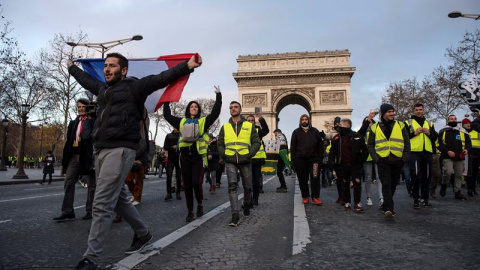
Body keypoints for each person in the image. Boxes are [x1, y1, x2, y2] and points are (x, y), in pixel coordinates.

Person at [68, 53, 202, 270]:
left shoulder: (134, 87)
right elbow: (88, 81)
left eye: (112, 66)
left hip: (121, 149)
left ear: (124, 70)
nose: (107, 69)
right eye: (105, 66)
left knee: (101, 203)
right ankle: (143, 233)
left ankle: (91, 258)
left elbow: (161, 78)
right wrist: (72, 68)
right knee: (119, 198)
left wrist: (186, 66)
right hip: (101, 149)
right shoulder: (103, 90)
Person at [164, 86, 222, 222]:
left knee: (196, 183)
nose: (194, 108)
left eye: (196, 106)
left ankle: (200, 204)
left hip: (198, 158)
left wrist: (219, 96)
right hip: (184, 157)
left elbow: (215, 113)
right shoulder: (181, 122)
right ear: (188, 109)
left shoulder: (203, 122)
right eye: (192, 106)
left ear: (199, 109)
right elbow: (167, 116)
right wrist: (166, 100)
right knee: (187, 185)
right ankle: (190, 211)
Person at [218, 101, 260, 227]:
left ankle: (246, 204)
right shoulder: (224, 127)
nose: (233, 109)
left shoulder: (249, 125)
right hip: (230, 160)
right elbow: (219, 144)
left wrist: (249, 154)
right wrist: (224, 154)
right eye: (231, 107)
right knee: (232, 186)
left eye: (236, 107)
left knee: (248, 187)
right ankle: (235, 214)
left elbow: (256, 142)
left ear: (241, 110)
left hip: (245, 159)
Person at [53, 99, 96, 222]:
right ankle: (67, 211)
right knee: (68, 181)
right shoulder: (73, 123)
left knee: (91, 185)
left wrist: (90, 120)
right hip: (74, 155)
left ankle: (90, 211)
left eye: (83, 106)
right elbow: (69, 140)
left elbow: (90, 137)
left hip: (88, 157)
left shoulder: (94, 121)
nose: (80, 109)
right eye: (78, 107)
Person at [367, 104, 410, 218]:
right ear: (383, 113)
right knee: (386, 183)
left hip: (397, 159)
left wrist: (404, 158)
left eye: (392, 111)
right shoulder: (374, 127)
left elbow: (407, 142)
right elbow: (370, 144)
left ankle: (386, 203)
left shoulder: (401, 125)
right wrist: (376, 158)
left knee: (393, 184)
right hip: (383, 160)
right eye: (389, 112)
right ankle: (389, 209)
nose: (392, 114)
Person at [329, 118, 368, 211]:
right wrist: (331, 162)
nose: (338, 127)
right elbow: (332, 151)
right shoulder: (336, 138)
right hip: (342, 165)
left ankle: (357, 203)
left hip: (355, 165)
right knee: (345, 184)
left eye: (340, 125)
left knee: (357, 183)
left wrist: (361, 159)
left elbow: (365, 150)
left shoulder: (357, 136)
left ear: (347, 126)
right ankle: (347, 202)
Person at [404, 103, 438, 209]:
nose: (419, 111)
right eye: (417, 110)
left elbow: (435, 138)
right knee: (415, 174)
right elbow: (404, 138)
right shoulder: (408, 122)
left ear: (424, 110)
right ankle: (416, 199)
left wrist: (429, 133)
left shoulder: (429, 123)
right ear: (414, 111)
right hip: (414, 152)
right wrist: (414, 133)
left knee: (427, 176)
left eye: (421, 109)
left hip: (427, 152)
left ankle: (424, 199)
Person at [291, 114, 324, 205]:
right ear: (300, 121)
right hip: (300, 159)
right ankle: (305, 196)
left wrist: (320, 158)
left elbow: (320, 145)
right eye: (303, 119)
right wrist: (293, 160)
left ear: (309, 120)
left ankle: (315, 197)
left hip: (314, 159)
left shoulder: (315, 131)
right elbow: (293, 147)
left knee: (315, 178)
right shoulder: (296, 132)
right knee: (302, 179)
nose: (304, 121)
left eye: (306, 119)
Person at [438, 115, 471, 200]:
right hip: (447, 156)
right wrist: (447, 151)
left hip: (459, 156)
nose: (454, 120)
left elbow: (468, 142)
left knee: (459, 175)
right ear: (448, 120)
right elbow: (440, 144)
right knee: (447, 173)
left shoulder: (462, 131)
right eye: (451, 119)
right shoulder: (443, 131)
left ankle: (457, 192)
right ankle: (444, 185)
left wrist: (467, 149)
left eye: (455, 119)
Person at [358, 111, 384, 207]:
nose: (369, 123)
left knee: (379, 177)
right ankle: (368, 197)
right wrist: (367, 120)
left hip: (377, 155)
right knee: (368, 178)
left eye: (370, 122)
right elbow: (360, 132)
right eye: (367, 122)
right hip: (367, 156)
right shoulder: (362, 132)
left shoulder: (378, 129)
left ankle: (381, 198)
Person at [246, 113, 269, 206]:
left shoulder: (258, 130)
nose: (250, 122)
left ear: (254, 121)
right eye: (249, 120)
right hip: (246, 158)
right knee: (248, 181)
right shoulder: (242, 130)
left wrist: (261, 120)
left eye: (252, 120)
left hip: (257, 159)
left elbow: (266, 130)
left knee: (256, 181)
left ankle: (255, 198)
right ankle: (249, 199)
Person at [462, 118, 480, 197]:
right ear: (463, 125)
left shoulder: (477, 133)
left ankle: (473, 188)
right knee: (469, 173)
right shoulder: (462, 133)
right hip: (467, 156)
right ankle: (469, 189)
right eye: (466, 123)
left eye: (469, 123)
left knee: (475, 173)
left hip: (477, 155)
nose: (468, 125)